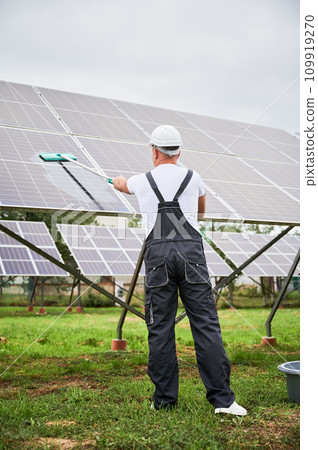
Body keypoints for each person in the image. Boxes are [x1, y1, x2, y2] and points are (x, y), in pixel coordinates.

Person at [113, 125, 246, 416]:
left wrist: (117, 181)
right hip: (191, 255)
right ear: (179, 151)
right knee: (205, 323)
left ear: (154, 151)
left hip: (158, 256)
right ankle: (223, 401)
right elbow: (199, 213)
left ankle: (164, 401)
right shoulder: (194, 177)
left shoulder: (142, 180)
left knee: (160, 327)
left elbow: (123, 184)